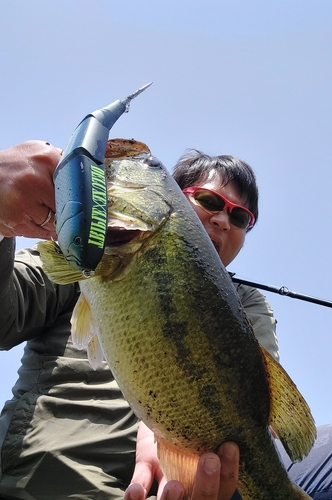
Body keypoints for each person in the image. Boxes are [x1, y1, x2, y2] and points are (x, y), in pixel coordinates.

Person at [0, 141, 278, 500]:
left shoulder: (248, 304)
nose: (223, 219)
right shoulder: (83, 254)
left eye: (240, 217)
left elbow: (262, 411)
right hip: (55, 477)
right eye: (209, 201)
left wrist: (166, 432)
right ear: (173, 199)